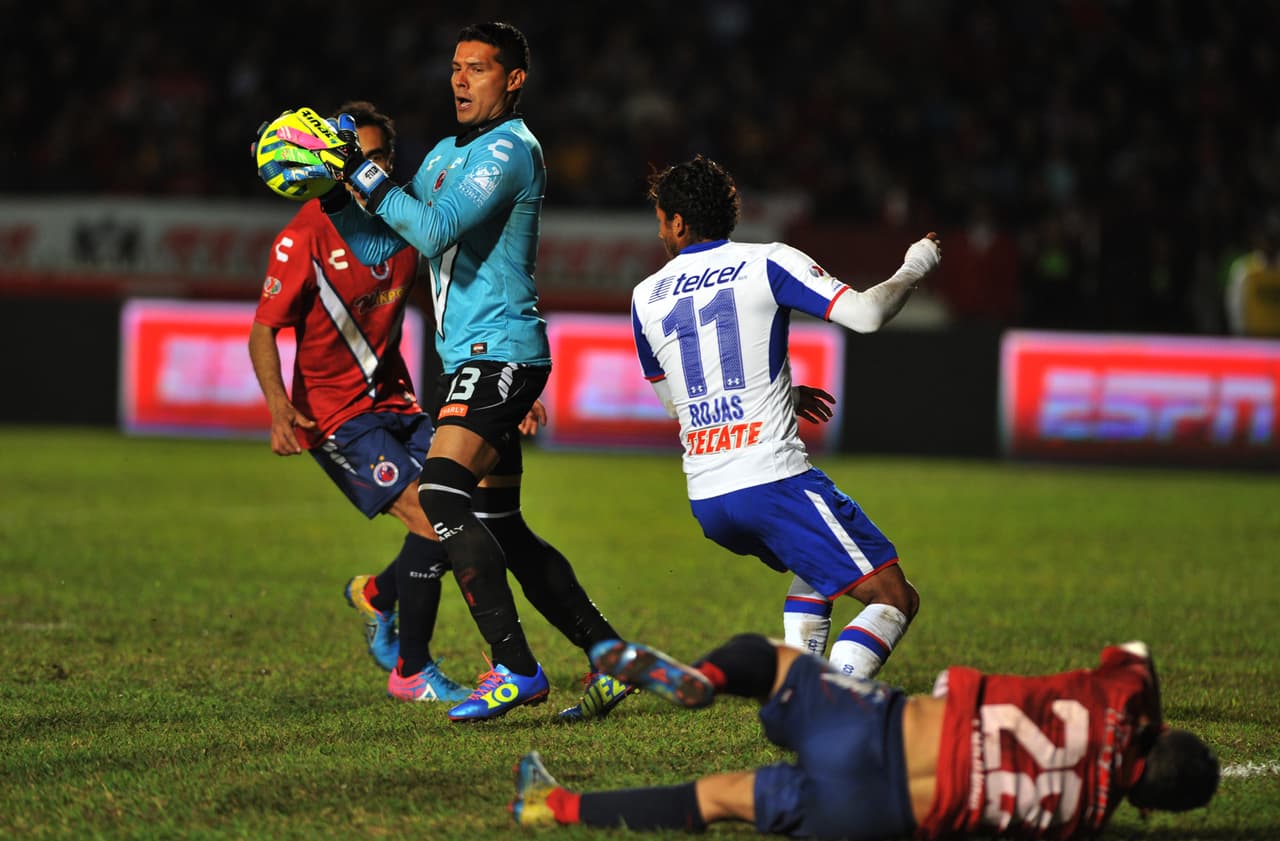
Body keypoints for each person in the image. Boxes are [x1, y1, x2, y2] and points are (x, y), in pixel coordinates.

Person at [318, 22, 630, 722]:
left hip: (500, 352)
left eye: (478, 68)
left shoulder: (511, 150)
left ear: (514, 79)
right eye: (455, 67)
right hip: (474, 359)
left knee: (442, 496)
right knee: (503, 525)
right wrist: (337, 191)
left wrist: (367, 172)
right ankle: (610, 656)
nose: (460, 79)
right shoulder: (438, 157)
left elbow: (433, 231)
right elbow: (382, 241)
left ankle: (516, 667)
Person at [630, 155, 941, 678]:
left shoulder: (644, 297)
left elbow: (676, 407)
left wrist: (778, 395)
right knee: (894, 599)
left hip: (708, 498)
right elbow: (866, 315)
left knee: (818, 568)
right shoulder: (767, 261)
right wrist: (916, 265)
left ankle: (799, 677)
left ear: (679, 222)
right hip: (771, 481)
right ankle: (824, 706)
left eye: (660, 219)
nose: (660, 230)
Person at [510, 635, 1220, 839]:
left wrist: (1144, 712)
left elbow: (1135, 651)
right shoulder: (1088, 821)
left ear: (1157, 731)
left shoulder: (1121, 699)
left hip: (880, 728)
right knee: (722, 798)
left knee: (768, 659)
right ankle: (555, 807)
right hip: (880, 818)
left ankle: (702, 678)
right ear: (1149, 808)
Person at [250, 100, 477, 703]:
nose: (360, 170)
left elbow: (449, 308)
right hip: (336, 416)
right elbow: (262, 328)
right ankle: (411, 670)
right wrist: (278, 406)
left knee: (464, 508)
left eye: (372, 158)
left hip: (396, 400)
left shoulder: (405, 224)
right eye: (349, 158)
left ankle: (378, 595)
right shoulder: (304, 234)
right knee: (435, 522)